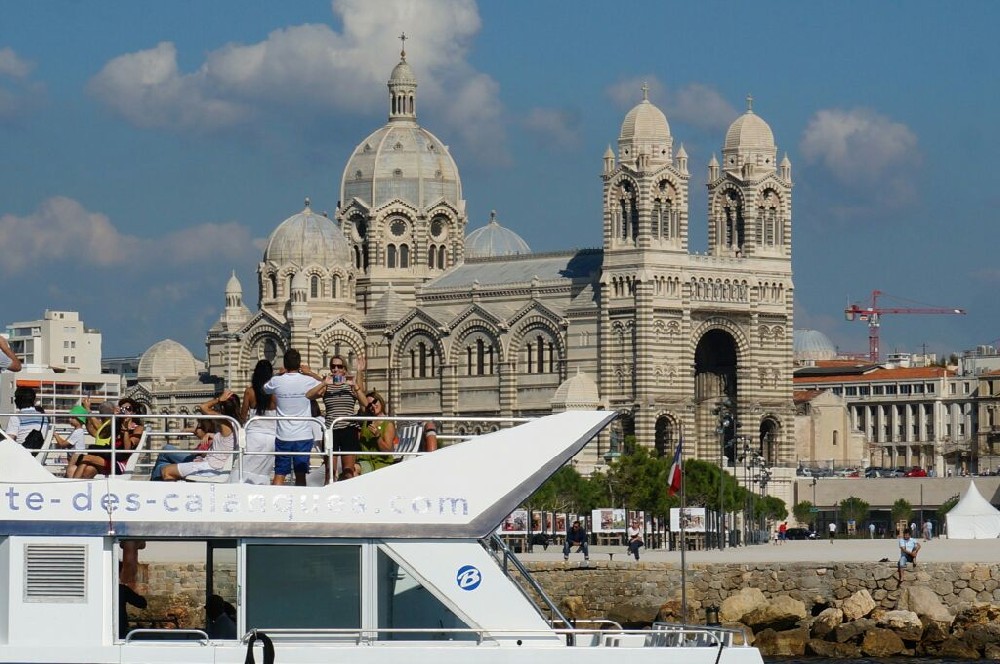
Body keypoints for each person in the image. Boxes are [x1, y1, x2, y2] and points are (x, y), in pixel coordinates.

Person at [263, 349, 320, 486]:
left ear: (284, 363)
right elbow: (325, 383)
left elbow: (265, 388)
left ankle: (275, 499)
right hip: (303, 435)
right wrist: (310, 372)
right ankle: (300, 499)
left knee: (280, 474)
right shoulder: (308, 380)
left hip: (283, 435)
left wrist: (279, 374)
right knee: (301, 475)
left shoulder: (277, 380)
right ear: (299, 363)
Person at [306, 355, 366, 481]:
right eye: (333, 366)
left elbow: (364, 402)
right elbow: (308, 395)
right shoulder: (327, 385)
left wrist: (357, 376)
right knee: (329, 472)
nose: (336, 369)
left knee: (348, 472)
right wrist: (324, 383)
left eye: (339, 366)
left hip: (348, 429)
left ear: (344, 369)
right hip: (330, 429)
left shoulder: (350, 384)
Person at [160, 391, 239, 481]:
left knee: (166, 471)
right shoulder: (236, 424)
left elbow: (203, 407)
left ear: (222, 407)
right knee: (166, 466)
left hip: (211, 467)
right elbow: (226, 441)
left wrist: (218, 400)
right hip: (212, 464)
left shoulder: (225, 422)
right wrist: (212, 435)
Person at [236, 359, 278, 485]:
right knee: (264, 471)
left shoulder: (249, 391)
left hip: (253, 436)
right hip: (272, 436)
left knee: (244, 468)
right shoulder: (275, 392)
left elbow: (243, 416)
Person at [354, 391, 396, 475]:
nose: (373, 406)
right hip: (363, 461)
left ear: (380, 401)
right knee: (346, 470)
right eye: (370, 405)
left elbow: (387, 451)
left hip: (379, 462)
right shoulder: (366, 421)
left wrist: (378, 436)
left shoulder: (388, 424)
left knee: (353, 470)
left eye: (374, 402)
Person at [54, 404, 89, 477]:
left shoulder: (77, 432)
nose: (69, 419)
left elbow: (62, 444)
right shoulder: (76, 431)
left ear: (79, 419)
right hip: (75, 456)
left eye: (72, 418)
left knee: (70, 473)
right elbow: (65, 442)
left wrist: (55, 434)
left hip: (76, 456)